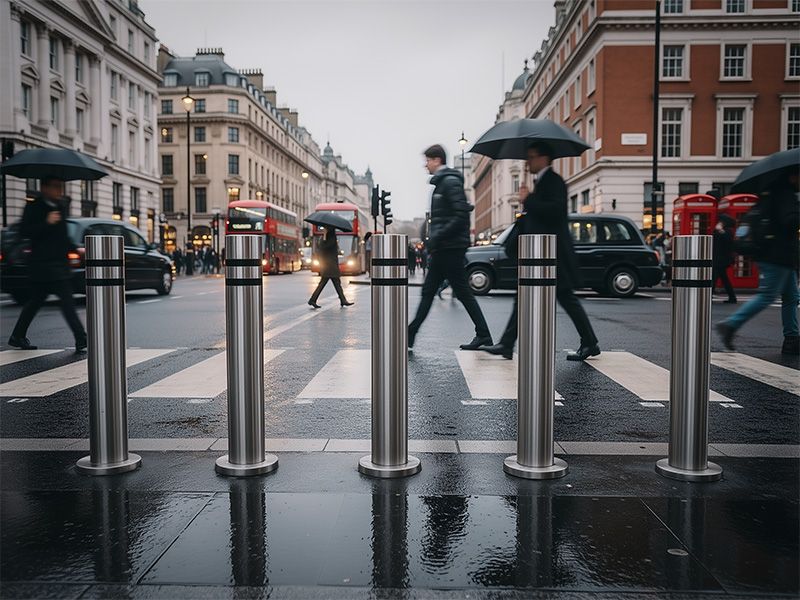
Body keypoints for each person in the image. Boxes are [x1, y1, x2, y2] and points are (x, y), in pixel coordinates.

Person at [483, 141, 600, 361]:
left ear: (544, 158)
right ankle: (507, 344)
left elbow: (555, 212)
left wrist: (529, 199)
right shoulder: (542, 182)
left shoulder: (554, 181)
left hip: (551, 253)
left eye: (532, 156)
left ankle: (590, 342)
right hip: (540, 252)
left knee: (565, 298)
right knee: (528, 297)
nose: (529, 161)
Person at [408, 144, 492, 350]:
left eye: (428, 160)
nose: (425, 165)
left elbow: (460, 215)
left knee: (457, 292)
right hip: (444, 247)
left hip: (450, 248)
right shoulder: (442, 184)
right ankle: (411, 333)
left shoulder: (450, 182)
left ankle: (411, 332)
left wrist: (437, 236)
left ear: (437, 160)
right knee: (434, 291)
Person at [716, 169, 799, 355]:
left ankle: (792, 338)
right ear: (792, 175)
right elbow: (790, 221)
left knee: (791, 297)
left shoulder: (768, 194)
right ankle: (731, 324)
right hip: (778, 255)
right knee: (768, 295)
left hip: (776, 255)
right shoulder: (785, 194)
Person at [8, 177, 87, 353]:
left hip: (57, 264)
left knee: (35, 302)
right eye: (56, 187)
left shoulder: (60, 207)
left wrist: (77, 249)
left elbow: (63, 235)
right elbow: (24, 232)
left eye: (60, 186)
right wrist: (46, 222)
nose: (59, 191)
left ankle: (18, 335)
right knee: (66, 302)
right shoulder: (34, 206)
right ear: (44, 188)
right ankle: (81, 338)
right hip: (43, 265)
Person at [308, 227, 354, 308]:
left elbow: (325, 247)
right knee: (331, 283)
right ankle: (313, 300)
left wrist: (325, 236)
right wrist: (324, 235)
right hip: (329, 265)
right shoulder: (328, 237)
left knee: (334, 283)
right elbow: (324, 247)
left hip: (330, 264)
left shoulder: (330, 237)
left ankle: (342, 300)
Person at [712, 215, 737, 304]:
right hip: (717, 258)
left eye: (721, 221)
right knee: (723, 278)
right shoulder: (718, 231)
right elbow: (713, 238)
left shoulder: (728, 231)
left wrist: (720, 230)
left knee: (714, 277)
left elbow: (729, 242)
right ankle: (732, 297)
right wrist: (717, 230)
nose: (719, 223)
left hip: (722, 259)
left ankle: (708, 296)